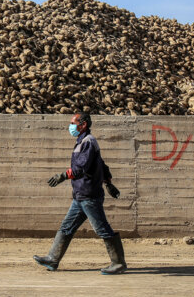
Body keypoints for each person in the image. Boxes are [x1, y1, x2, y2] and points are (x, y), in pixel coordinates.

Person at [33, 112, 127, 275]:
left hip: (89, 195)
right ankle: (53, 258)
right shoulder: (83, 141)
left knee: (102, 229)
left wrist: (63, 175)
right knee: (67, 227)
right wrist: (108, 182)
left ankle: (118, 263)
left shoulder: (87, 142)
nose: (70, 127)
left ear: (83, 125)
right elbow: (101, 164)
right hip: (80, 196)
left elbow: (80, 168)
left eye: (73, 123)